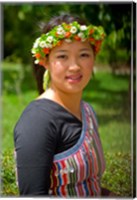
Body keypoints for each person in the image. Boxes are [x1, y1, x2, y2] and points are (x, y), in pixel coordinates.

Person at [14, 13, 108, 197]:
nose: (74, 66)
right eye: (63, 56)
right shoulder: (37, 121)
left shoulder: (87, 110)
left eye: (83, 54)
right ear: (45, 61)